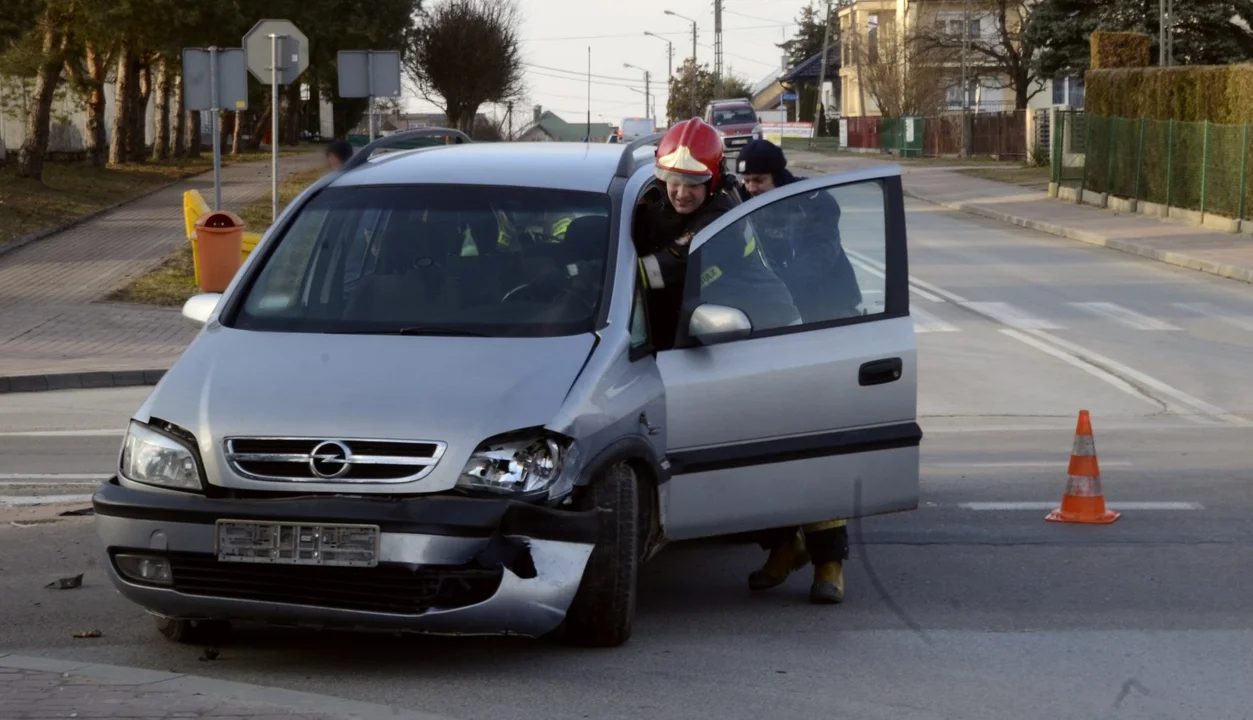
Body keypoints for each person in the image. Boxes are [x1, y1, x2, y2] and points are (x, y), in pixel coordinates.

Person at [734, 139, 862, 605]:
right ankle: (783, 548)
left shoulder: (813, 205)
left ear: (779, 176)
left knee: (814, 449)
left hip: (819, 327)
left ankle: (829, 562)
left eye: (759, 181)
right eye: (745, 181)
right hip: (769, 333)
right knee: (764, 450)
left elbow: (816, 260)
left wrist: (773, 292)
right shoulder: (739, 205)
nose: (750, 189)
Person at [633, 118, 796, 349]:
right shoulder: (660, 205)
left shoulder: (722, 219)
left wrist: (591, 276)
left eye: (692, 183)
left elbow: (664, 269)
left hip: (765, 329)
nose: (681, 193)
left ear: (712, 181)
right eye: (675, 181)